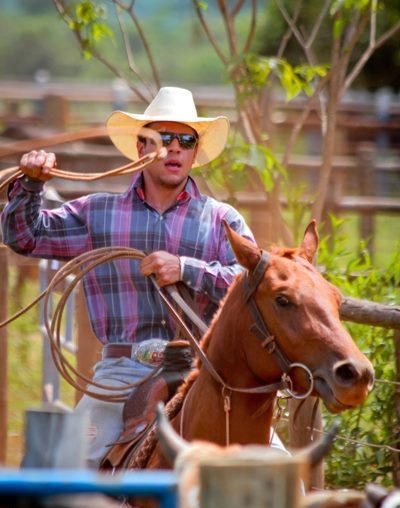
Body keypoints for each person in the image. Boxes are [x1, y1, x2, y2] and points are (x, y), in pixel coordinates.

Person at [2, 86, 264, 468]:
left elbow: (252, 283)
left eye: (186, 139)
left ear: (194, 153)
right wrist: (30, 184)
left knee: (278, 467)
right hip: (121, 372)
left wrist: (187, 269)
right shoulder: (98, 213)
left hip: (206, 370)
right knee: (65, 473)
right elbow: (25, 236)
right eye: (163, 138)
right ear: (142, 148)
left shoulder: (223, 220)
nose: (175, 147)